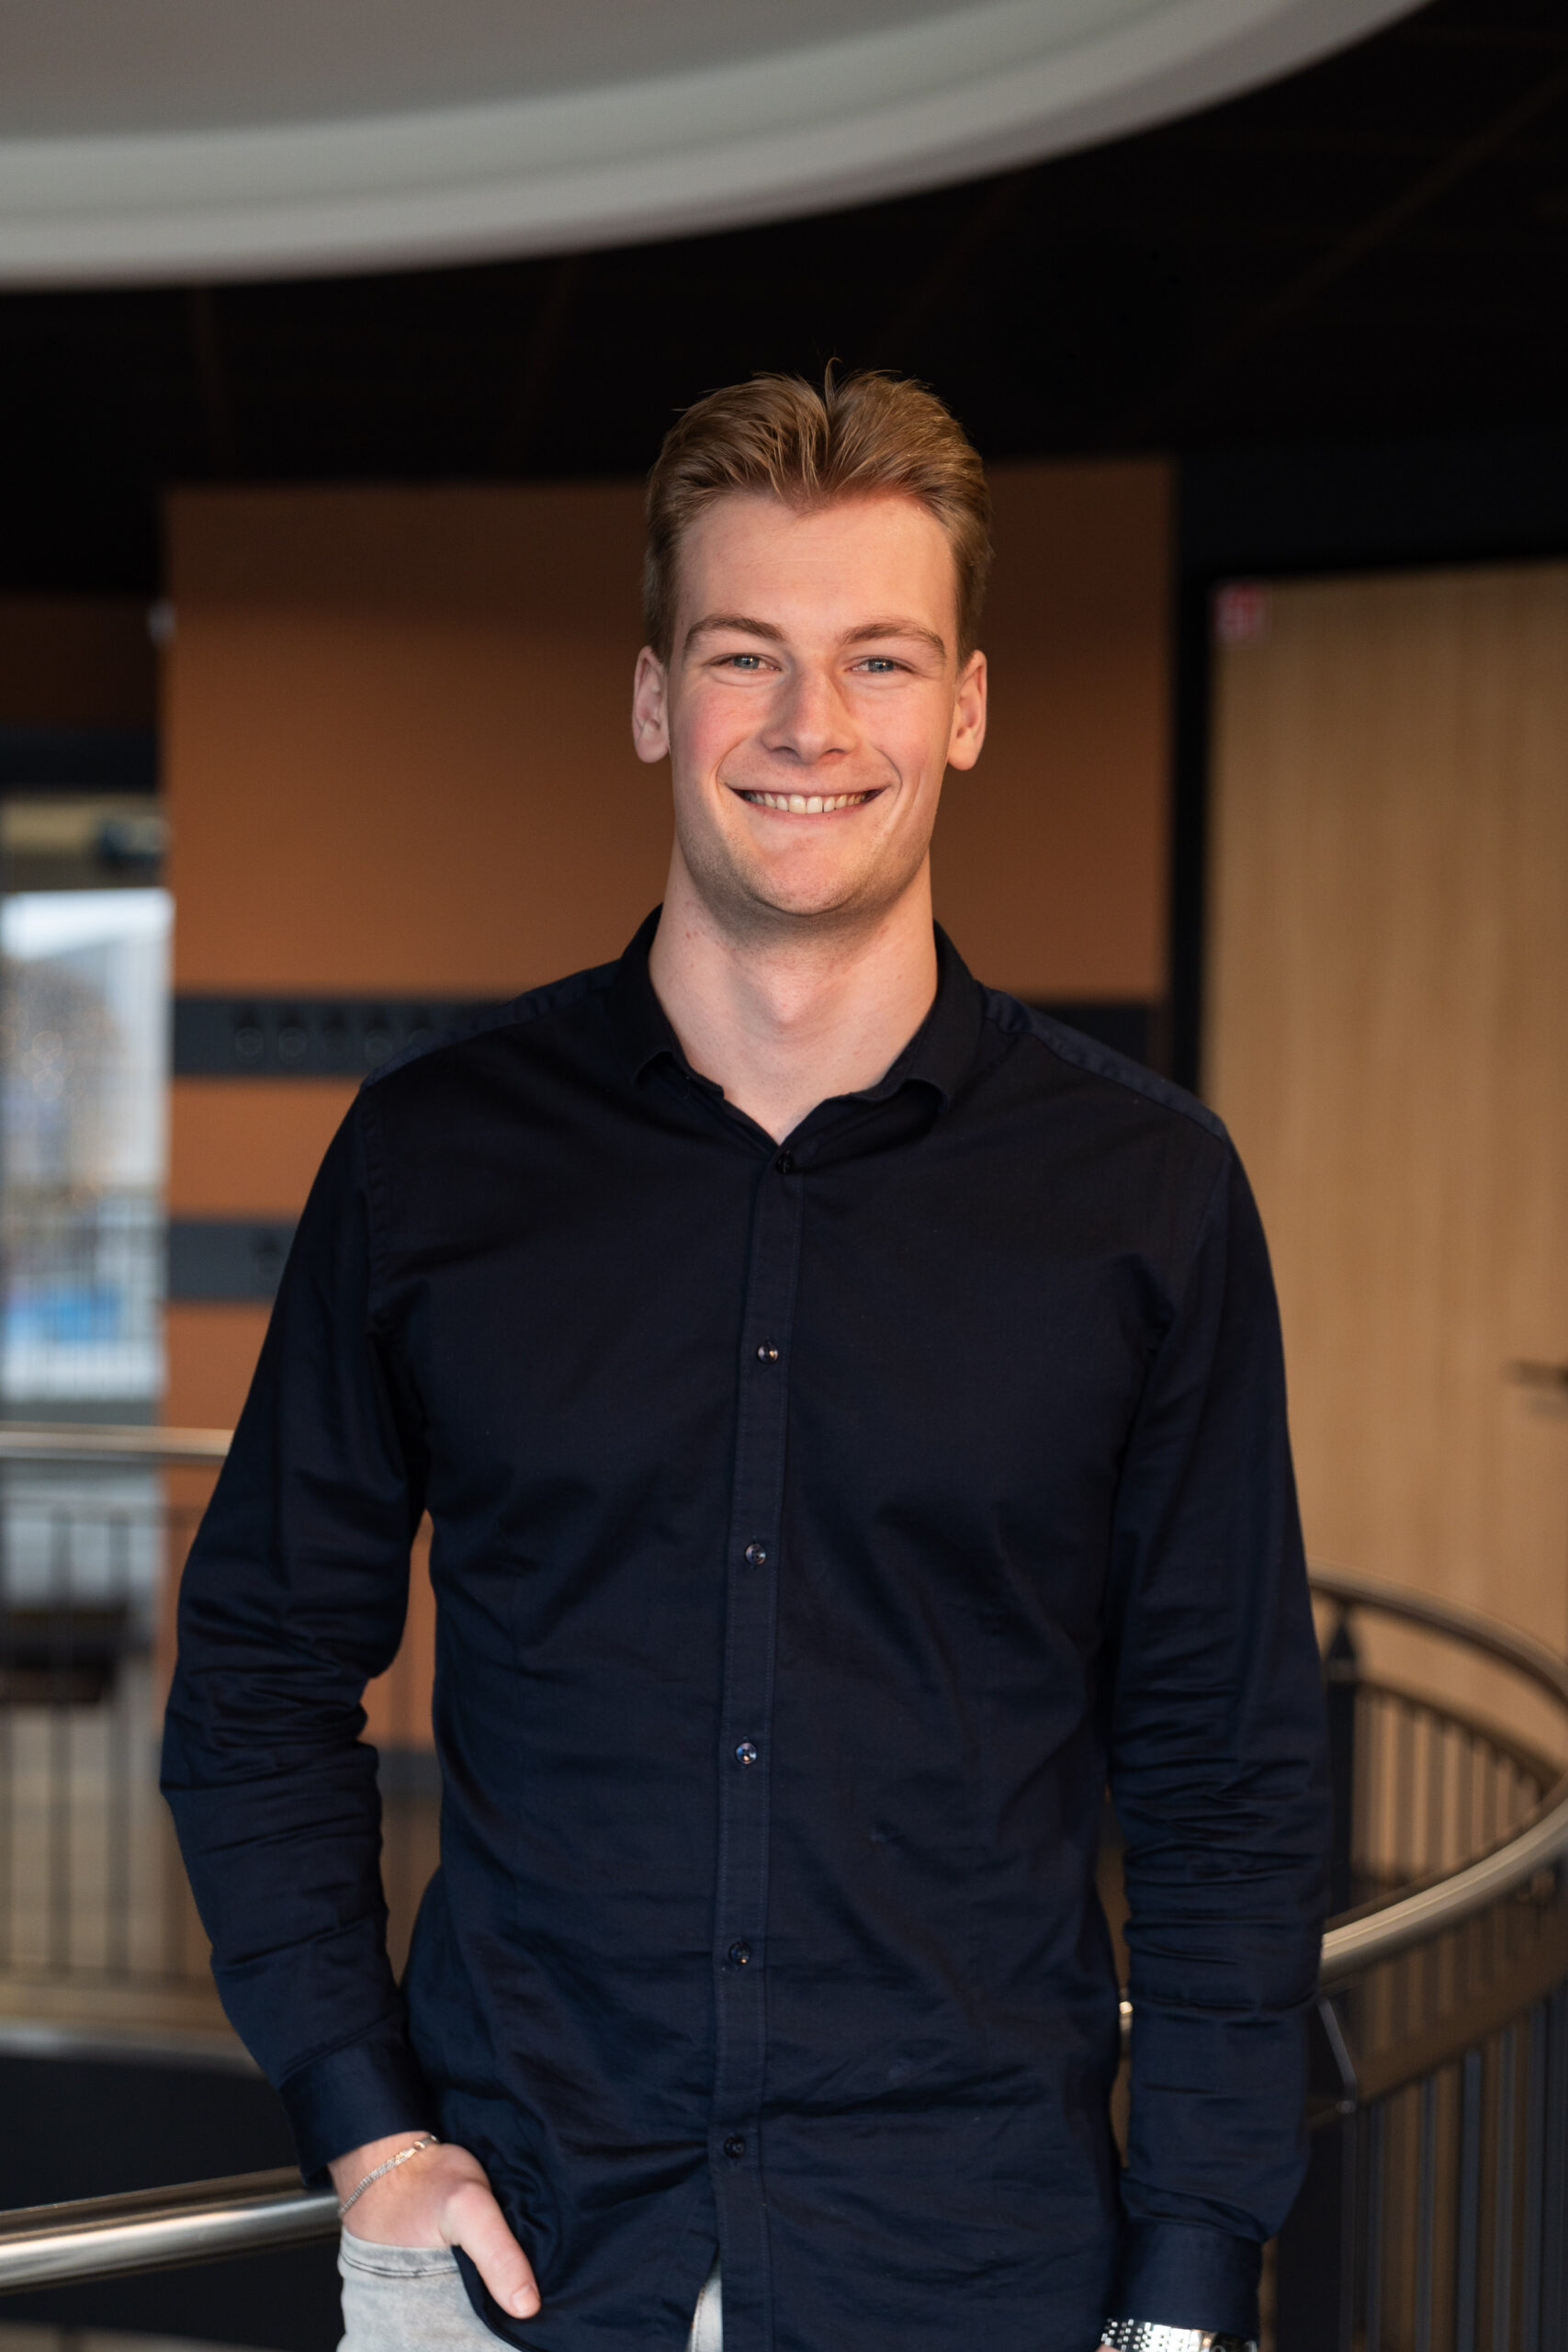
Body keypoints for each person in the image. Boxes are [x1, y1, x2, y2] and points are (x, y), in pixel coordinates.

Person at [163, 370, 1328, 2352]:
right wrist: (367, 2129)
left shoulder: (1146, 1193)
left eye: (880, 658)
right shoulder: (435, 1157)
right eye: (743, 656)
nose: (811, 725)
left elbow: (1229, 1774)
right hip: (521, 2258)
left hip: (972, 2267)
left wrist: (1194, 2275)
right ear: (652, 699)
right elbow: (265, 1666)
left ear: (964, 705)